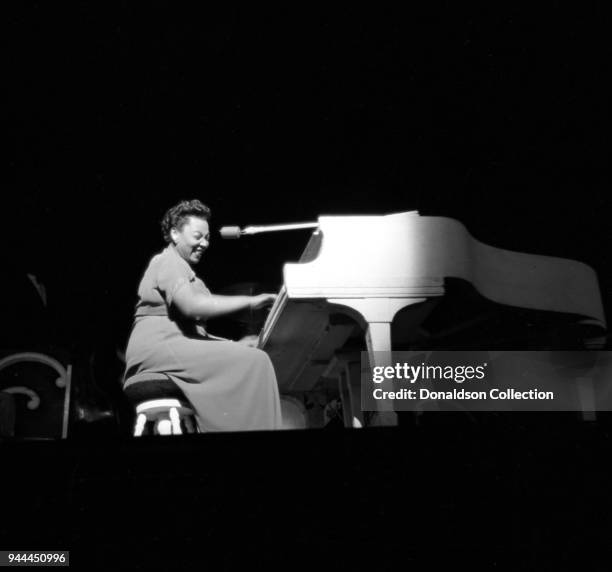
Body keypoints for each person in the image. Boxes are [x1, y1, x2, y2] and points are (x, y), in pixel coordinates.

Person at [124, 199, 282, 432]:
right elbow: (192, 307)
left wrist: (233, 345)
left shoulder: (188, 273)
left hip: (172, 346)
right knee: (257, 362)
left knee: (251, 357)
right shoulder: (167, 261)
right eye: (197, 236)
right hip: (158, 347)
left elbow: (193, 332)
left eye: (207, 238)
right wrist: (251, 302)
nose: (204, 243)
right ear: (175, 234)